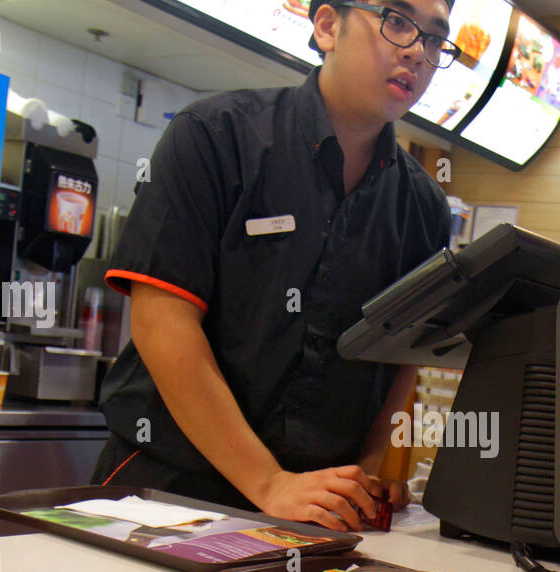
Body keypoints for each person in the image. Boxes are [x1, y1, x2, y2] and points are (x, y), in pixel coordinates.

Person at [92, 0, 457, 532]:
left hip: (308, 513)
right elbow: (161, 320)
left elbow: (400, 359)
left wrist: (365, 472)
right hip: (167, 492)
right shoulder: (216, 134)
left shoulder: (423, 206)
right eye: (397, 21)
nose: (417, 54)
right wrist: (266, 482)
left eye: (433, 39)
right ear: (328, 26)